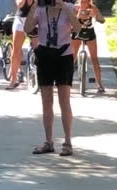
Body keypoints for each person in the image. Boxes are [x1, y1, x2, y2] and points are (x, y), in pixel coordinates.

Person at [25, 0, 81, 156]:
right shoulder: (40, 9)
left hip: (64, 56)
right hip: (44, 56)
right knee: (46, 101)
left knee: (64, 100)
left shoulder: (68, 7)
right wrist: (34, 6)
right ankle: (48, 142)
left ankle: (68, 142)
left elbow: (77, 29)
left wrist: (64, 7)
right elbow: (28, 28)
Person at [71, 0, 105, 93]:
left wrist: (95, 15)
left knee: (94, 59)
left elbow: (102, 20)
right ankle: (66, 81)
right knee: (72, 57)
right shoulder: (75, 7)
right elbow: (69, 21)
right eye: (82, 1)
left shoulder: (92, 7)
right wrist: (77, 16)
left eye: (86, 1)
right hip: (77, 32)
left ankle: (99, 84)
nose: (84, 2)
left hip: (89, 32)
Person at [6, 0, 39, 90]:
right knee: (16, 51)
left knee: (39, 50)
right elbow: (19, 4)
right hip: (21, 20)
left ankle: (41, 76)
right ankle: (13, 80)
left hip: (35, 21)